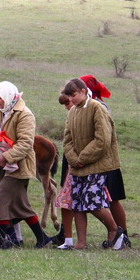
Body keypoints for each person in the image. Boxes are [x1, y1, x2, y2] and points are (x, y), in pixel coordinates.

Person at [62, 78, 127, 250]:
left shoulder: (96, 108)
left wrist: (82, 158)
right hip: (78, 166)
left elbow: (102, 140)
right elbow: (67, 140)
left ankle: (115, 230)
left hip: (98, 165)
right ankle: (81, 243)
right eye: (69, 96)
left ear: (84, 91)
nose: (72, 99)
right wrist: (74, 159)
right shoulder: (72, 112)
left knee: (92, 202)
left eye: (74, 95)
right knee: (77, 205)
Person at [0, 81, 52, 249]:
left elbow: (26, 143)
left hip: (19, 166)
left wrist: (6, 156)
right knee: (21, 206)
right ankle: (42, 238)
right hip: (4, 166)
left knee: (0, 200)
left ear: (8, 96)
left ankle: (0, 241)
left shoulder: (25, 114)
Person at [78, 74, 130, 245]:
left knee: (112, 199)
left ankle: (122, 235)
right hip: (97, 160)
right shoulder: (84, 106)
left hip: (105, 162)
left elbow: (102, 138)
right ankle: (118, 234)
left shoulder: (99, 107)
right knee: (108, 199)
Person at [53, 93, 75, 249]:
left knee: (94, 205)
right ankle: (66, 236)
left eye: (68, 103)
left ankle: (115, 232)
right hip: (70, 162)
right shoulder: (72, 116)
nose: (67, 107)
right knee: (66, 202)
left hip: (79, 164)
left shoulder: (89, 112)